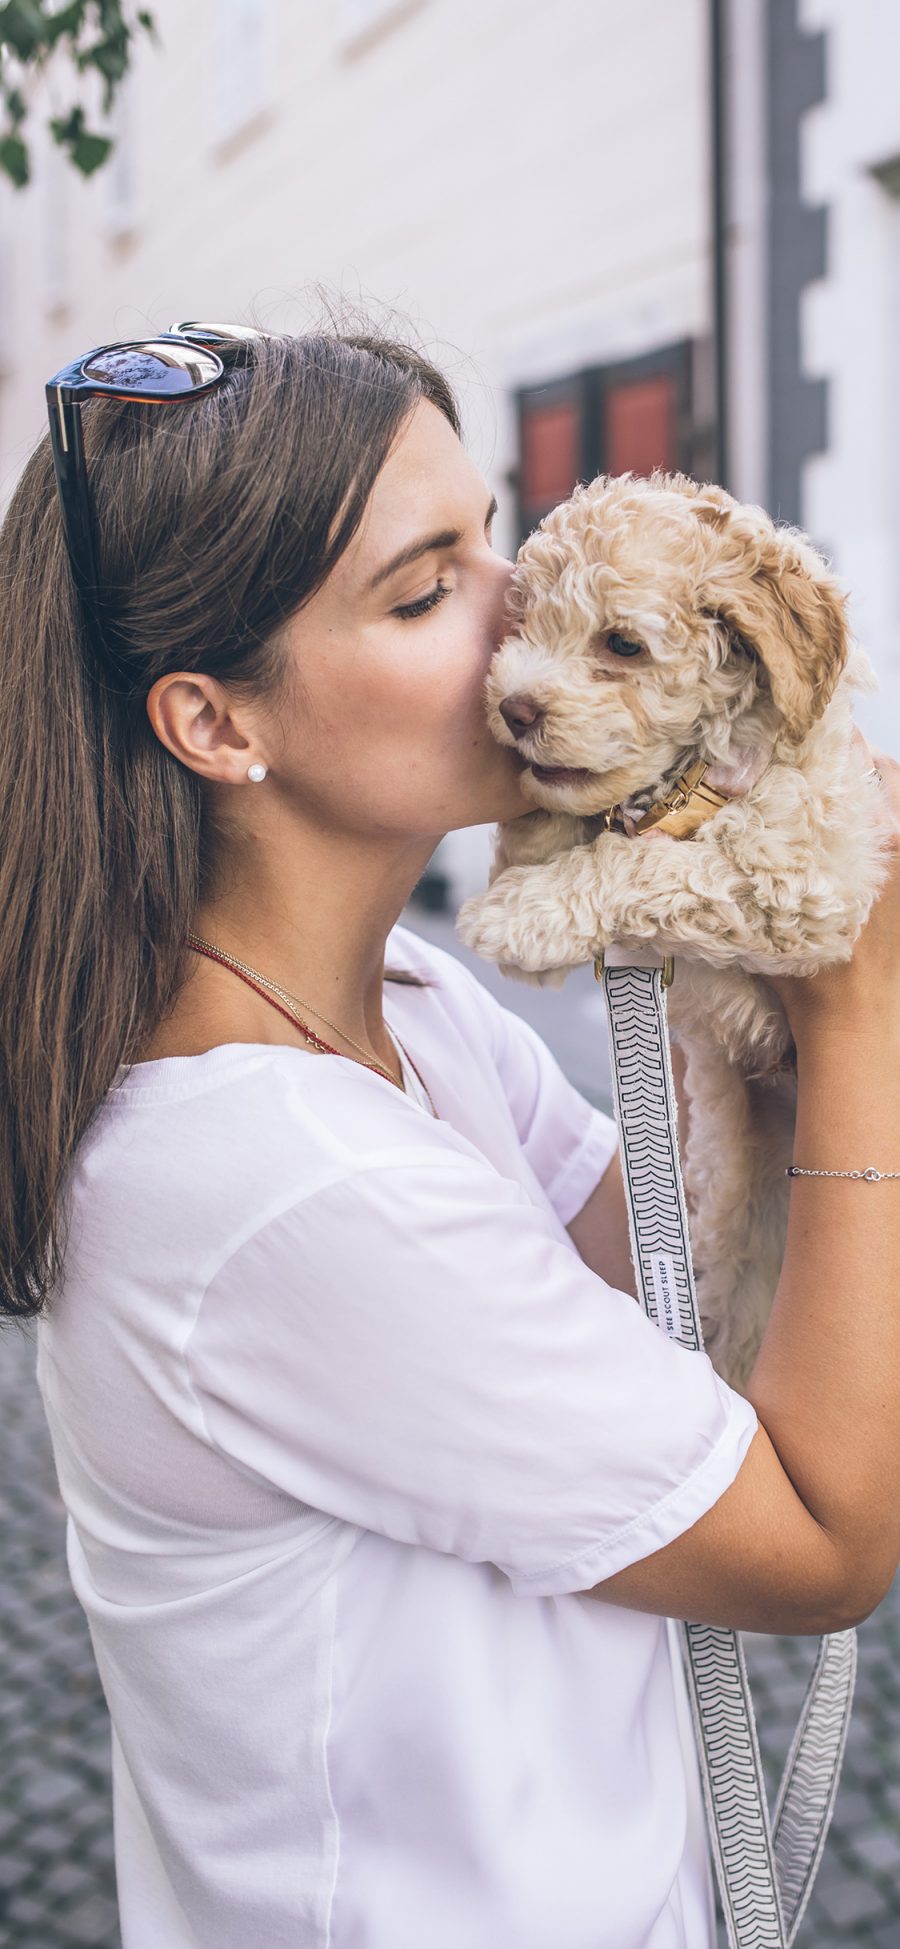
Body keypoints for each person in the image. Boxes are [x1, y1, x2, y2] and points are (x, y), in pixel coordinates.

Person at [0, 318, 898, 1949]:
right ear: (213, 724)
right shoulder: (275, 1183)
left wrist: (753, 982)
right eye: (426, 589)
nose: (518, 609)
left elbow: (635, 1308)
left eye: (494, 534)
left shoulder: (406, 996)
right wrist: (862, 1015)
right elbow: (824, 1543)